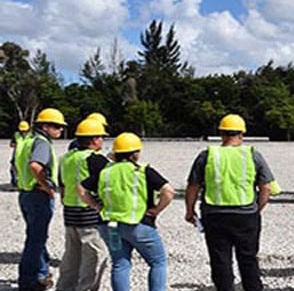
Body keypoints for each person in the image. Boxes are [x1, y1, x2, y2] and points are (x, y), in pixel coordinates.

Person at [184, 114, 273, 291]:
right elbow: (266, 187)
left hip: (214, 215)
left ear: (221, 133)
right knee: (248, 259)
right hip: (246, 215)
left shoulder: (207, 155)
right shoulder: (252, 155)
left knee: (220, 260)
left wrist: (190, 210)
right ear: (242, 134)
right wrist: (257, 209)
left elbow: (193, 186)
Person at [79, 133, 175, 291]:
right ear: (135, 153)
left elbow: (81, 189)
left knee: (120, 264)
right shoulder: (142, 170)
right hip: (138, 225)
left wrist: (96, 206)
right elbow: (168, 191)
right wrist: (156, 210)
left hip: (110, 225)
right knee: (158, 262)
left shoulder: (106, 171)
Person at [56, 118, 110, 291]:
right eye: (101, 137)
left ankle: (64, 288)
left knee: (72, 256)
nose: (103, 140)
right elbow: (110, 180)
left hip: (70, 213)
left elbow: (62, 185)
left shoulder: (65, 158)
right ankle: (86, 288)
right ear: (94, 139)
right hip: (89, 214)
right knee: (95, 256)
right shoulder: (94, 159)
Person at [15, 108, 65, 291]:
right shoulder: (42, 143)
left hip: (25, 193)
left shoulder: (27, 140)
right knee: (35, 240)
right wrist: (45, 185)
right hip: (37, 195)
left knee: (36, 237)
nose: (60, 129)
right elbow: (36, 166)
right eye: (57, 126)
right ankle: (29, 281)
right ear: (45, 126)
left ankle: (42, 273)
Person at [10, 120, 31, 187]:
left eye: (25, 130)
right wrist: (14, 144)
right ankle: (15, 183)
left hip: (26, 155)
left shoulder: (31, 135)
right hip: (16, 154)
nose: (23, 132)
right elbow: (11, 144)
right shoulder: (16, 134)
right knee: (13, 169)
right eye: (22, 130)